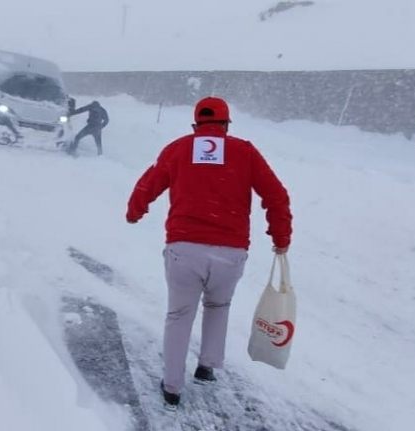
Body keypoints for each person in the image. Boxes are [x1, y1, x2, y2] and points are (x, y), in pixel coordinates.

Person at [125, 96, 293, 408]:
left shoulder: (178, 149)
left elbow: (149, 183)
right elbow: (276, 194)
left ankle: (172, 386)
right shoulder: (245, 152)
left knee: (179, 315)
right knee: (219, 305)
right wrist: (281, 237)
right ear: (226, 126)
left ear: (195, 125)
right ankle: (207, 366)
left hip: (184, 249)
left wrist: (135, 211)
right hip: (230, 252)